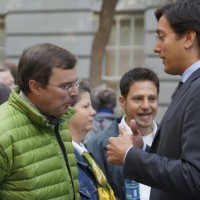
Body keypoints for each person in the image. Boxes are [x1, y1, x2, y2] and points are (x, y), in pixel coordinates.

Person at [106, 1, 200, 199]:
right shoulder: (191, 84)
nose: (156, 47)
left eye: (161, 37)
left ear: (189, 38)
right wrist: (141, 151)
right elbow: (178, 156)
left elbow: (194, 176)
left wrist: (129, 155)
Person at [0, 43, 81, 199]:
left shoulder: (58, 119)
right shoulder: (3, 132)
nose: (75, 92)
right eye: (66, 86)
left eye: (75, 84)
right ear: (35, 87)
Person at [85, 67, 159, 199]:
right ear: (122, 102)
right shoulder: (96, 145)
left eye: (152, 98)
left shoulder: (172, 140)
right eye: (138, 99)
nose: (146, 105)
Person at [68, 80, 116, 200]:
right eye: (85, 106)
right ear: (67, 111)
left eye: (92, 106)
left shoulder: (85, 154)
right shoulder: (67, 158)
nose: (93, 112)